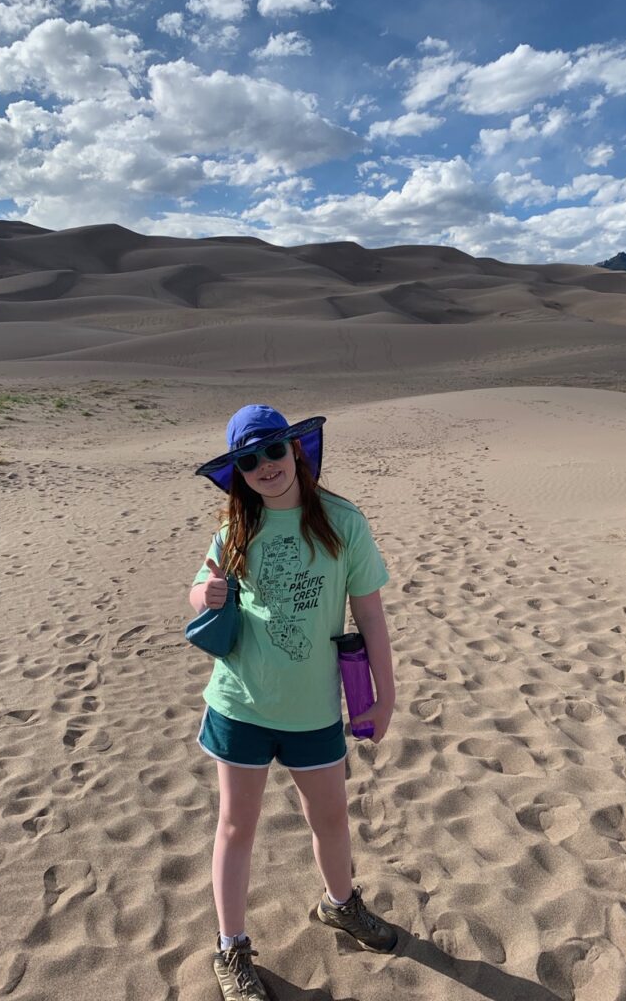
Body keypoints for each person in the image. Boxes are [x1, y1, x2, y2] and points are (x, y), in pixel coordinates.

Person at [188, 404, 397, 1001]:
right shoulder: (235, 527)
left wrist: (385, 696)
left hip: (313, 711)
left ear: (296, 451)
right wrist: (202, 590)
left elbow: (371, 615)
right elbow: (199, 589)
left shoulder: (341, 522)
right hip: (240, 704)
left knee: (330, 819)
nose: (265, 467)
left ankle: (340, 905)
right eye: (248, 460)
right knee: (236, 825)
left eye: (273, 451)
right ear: (239, 471)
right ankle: (231, 948)